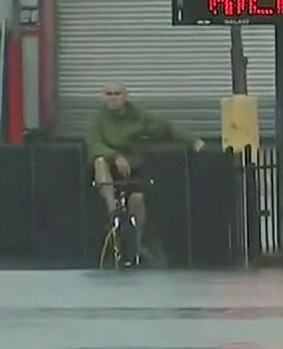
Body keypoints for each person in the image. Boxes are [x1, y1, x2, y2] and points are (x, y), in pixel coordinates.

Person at [86, 83, 204, 260]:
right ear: (103, 96)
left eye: (117, 94)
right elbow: (94, 143)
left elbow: (165, 129)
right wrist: (115, 156)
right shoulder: (96, 120)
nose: (113, 98)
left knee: (138, 199)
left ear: (125, 96)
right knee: (100, 161)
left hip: (132, 167)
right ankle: (113, 212)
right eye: (108, 94)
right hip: (107, 169)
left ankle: (136, 243)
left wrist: (193, 140)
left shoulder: (138, 116)